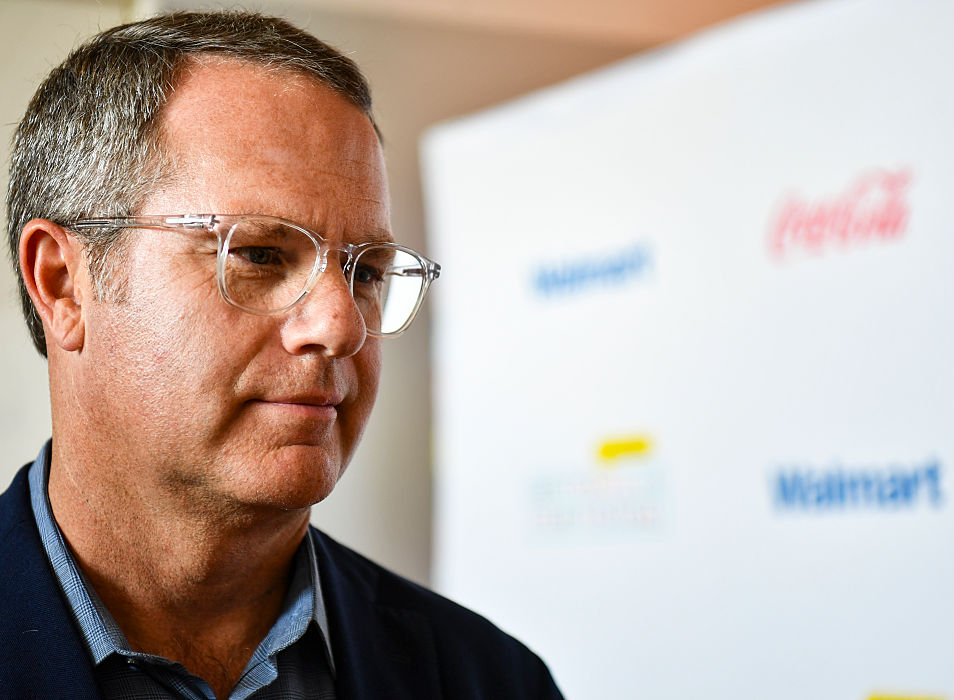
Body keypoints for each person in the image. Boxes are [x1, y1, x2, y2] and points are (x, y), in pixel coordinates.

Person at [0, 10, 563, 700]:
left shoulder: (493, 680)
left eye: (366, 273)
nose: (342, 327)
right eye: (261, 254)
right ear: (64, 284)